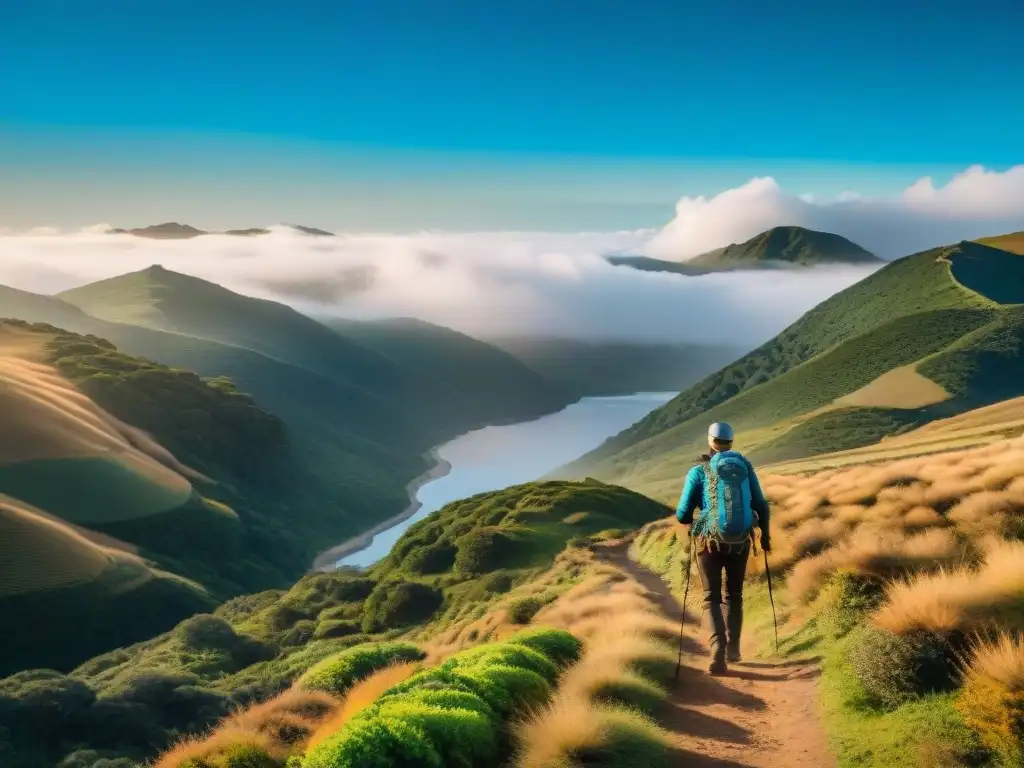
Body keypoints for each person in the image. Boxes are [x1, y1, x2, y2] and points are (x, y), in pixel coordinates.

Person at [676, 421, 770, 675]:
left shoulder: (698, 472)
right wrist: (765, 537)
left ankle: (718, 649)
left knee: (711, 598)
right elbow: (761, 504)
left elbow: (683, 514)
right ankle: (734, 650)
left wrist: (698, 512)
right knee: (735, 596)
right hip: (740, 540)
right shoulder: (745, 468)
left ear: (710, 441)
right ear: (732, 441)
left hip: (709, 542)